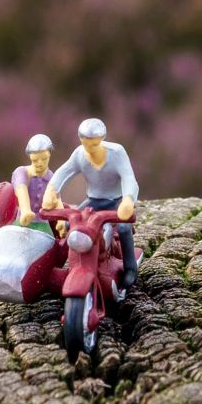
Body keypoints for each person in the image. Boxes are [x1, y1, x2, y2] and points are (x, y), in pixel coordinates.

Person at [43, 118, 139, 286]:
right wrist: (51, 191)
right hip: (93, 201)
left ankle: (130, 268)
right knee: (70, 224)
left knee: (124, 228)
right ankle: (72, 262)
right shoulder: (80, 154)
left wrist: (128, 200)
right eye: (85, 143)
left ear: (101, 139)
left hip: (116, 201)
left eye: (94, 144)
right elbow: (63, 172)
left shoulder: (116, 153)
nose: (89, 148)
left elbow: (129, 178)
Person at [11, 133, 55, 226]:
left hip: (43, 224)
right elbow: (21, 188)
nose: (40, 163)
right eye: (35, 160)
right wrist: (25, 210)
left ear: (49, 155)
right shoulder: (22, 172)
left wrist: (62, 221)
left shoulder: (51, 176)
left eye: (44, 159)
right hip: (23, 220)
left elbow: (56, 198)